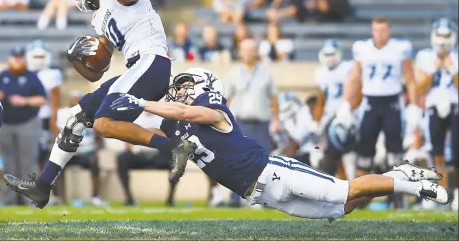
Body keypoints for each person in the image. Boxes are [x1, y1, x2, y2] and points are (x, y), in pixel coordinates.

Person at [109, 67, 448, 221]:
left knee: (342, 191)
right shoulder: (174, 122)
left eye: (186, 84)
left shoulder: (213, 110)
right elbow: (143, 129)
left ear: (204, 85)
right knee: (342, 208)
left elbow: (184, 109)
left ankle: (409, 184)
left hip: (274, 173)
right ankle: (396, 174)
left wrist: (141, 104)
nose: (178, 89)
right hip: (260, 195)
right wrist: (109, 113)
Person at [4, 0, 175, 209]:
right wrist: (77, 59)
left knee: (104, 124)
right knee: (75, 119)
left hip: (151, 63)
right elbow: (98, 71)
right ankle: (42, 186)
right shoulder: (99, 16)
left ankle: (174, 147)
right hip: (138, 68)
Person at [337, 18, 423, 178]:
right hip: (370, 103)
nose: (380, 34)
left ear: (389, 30)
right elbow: (354, 78)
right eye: (376, 30)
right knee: (364, 150)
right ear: (372, 31)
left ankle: (396, 196)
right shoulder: (363, 49)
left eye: (383, 30)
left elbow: (410, 80)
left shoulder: (399, 48)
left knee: (394, 152)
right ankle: (362, 196)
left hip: (392, 103)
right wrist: (346, 103)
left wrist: (415, 106)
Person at [415, 18, 458, 209]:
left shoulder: (456, 57)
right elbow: (419, 88)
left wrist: (452, 68)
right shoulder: (424, 56)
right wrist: (433, 68)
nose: (442, 40)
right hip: (433, 107)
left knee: (456, 154)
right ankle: (438, 194)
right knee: (436, 154)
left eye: (446, 35)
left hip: (456, 107)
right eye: (440, 35)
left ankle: (456, 194)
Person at [0, 46, 47, 205]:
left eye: (20, 57)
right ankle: (10, 199)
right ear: (10, 59)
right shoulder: (2, 76)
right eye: (14, 57)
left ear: (24, 59)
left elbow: (42, 99)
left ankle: (29, 198)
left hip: (27, 123)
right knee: (9, 163)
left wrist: (24, 101)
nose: (17, 60)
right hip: (6, 124)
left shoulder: (31, 77)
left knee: (28, 162)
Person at [313, 39, 358, 178]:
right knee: (327, 152)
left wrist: (350, 109)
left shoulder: (348, 68)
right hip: (329, 116)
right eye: (327, 54)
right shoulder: (320, 72)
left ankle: (352, 179)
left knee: (348, 150)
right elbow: (321, 99)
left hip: (347, 115)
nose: (329, 57)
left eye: (332, 54)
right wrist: (316, 120)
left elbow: (357, 91)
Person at [57, 90, 107, 206]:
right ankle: (60, 198)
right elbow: (58, 133)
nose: (76, 102)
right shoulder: (63, 113)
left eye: (78, 100)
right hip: (69, 150)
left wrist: (98, 147)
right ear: (69, 101)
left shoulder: (92, 112)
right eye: (74, 100)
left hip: (87, 151)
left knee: (94, 160)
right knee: (57, 162)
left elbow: (98, 133)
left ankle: (95, 196)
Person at [26, 40, 63, 169]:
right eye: (35, 56)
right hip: (25, 119)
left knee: (43, 153)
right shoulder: (23, 74)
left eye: (41, 56)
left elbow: (55, 103)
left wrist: (54, 126)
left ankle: (43, 184)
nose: (38, 60)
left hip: (44, 118)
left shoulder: (53, 74)